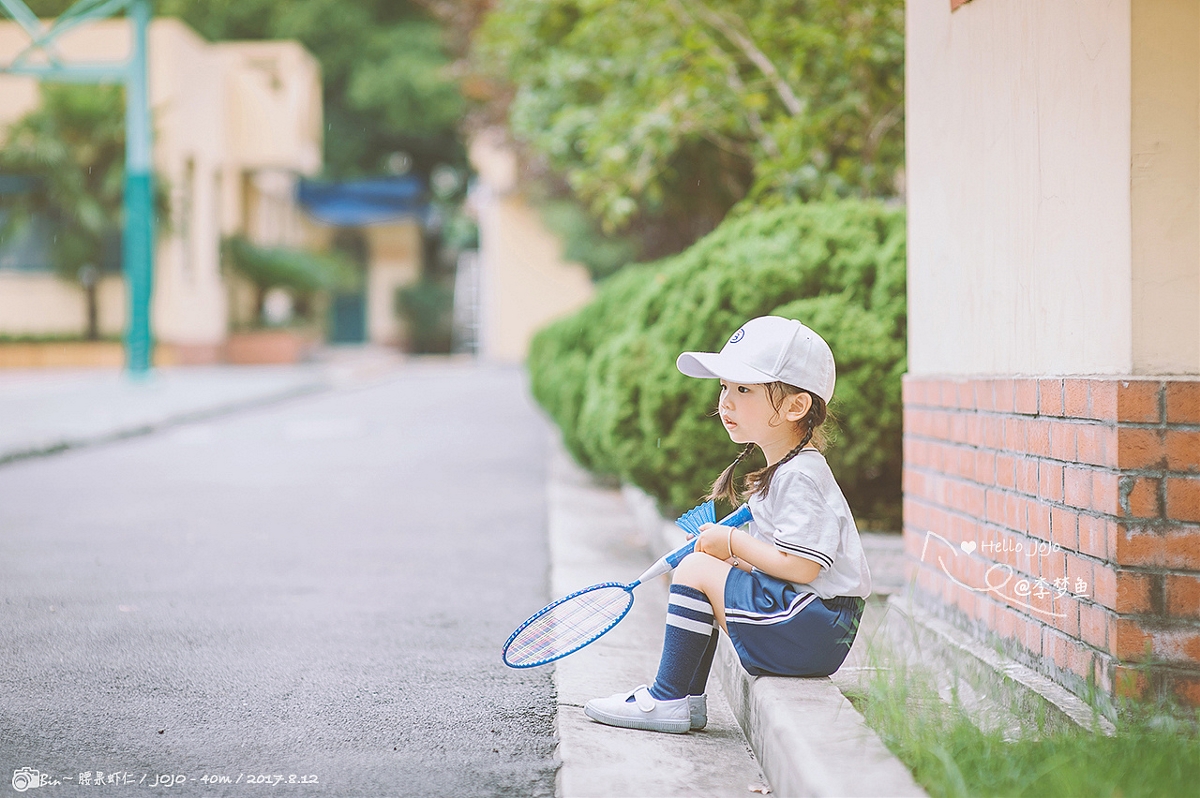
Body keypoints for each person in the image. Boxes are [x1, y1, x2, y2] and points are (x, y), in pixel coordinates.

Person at [583, 315, 872, 734]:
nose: (726, 402)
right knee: (705, 570)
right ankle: (683, 699)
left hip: (815, 627)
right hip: (810, 626)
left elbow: (804, 568)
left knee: (698, 570)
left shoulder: (801, 476)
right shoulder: (786, 471)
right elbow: (786, 562)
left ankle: (668, 699)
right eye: (724, 387)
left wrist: (733, 542)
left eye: (743, 389)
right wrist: (737, 560)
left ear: (796, 406)